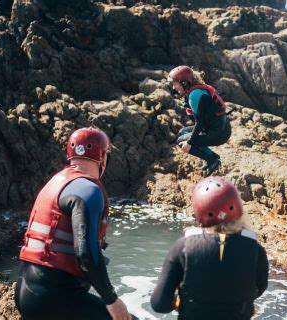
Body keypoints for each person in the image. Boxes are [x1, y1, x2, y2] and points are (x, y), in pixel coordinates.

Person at [15, 127, 133, 320]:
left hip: (27, 291)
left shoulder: (57, 182)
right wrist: (112, 300)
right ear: (103, 158)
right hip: (53, 297)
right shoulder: (88, 190)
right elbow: (86, 254)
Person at [150, 176, 269, 320]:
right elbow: (259, 288)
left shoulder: (183, 247)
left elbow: (159, 304)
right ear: (238, 208)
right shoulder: (255, 250)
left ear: (199, 212)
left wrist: (179, 300)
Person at [168, 65, 232, 176]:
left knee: (181, 142)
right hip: (220, 127)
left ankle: (212, 159)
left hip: (219, 133)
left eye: (175, 84)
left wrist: (189, 143)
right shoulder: (195, 89)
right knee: (182, 132)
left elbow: (199, 123)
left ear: (184, 83)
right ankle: (210, 157)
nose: (174, 88)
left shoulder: (194, 95)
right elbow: (200, 120)